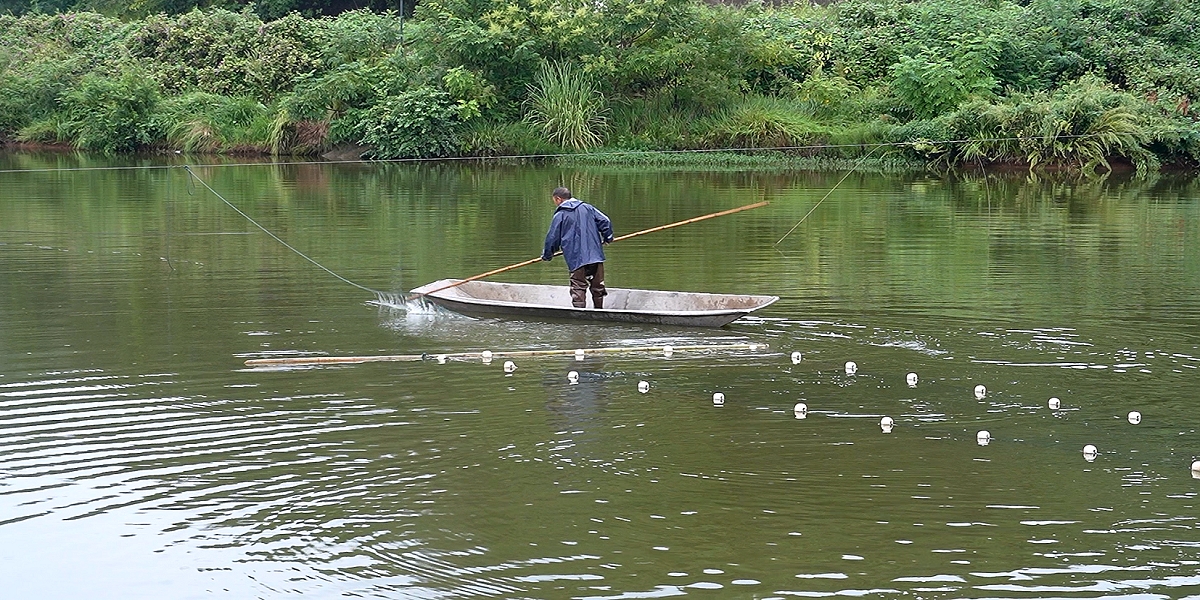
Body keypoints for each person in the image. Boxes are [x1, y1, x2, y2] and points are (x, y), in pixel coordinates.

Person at [541, 187, 614, 309]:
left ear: (558, 199)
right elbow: (605, 221)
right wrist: (608, 237)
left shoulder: (560, 214)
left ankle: (580, 315)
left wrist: (547, 255)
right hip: (595, 255)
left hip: (576, 257)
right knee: (597, 286)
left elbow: (553, 238)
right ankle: (600, 311)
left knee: (578, 286)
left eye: (554, 200)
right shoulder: (588, 208)